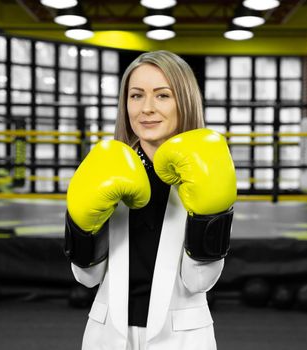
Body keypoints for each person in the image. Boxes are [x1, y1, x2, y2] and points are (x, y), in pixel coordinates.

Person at [64, 50, 237, 350]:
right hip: (106, 336)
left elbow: (199, 282)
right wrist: (81, 225)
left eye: (162, 96)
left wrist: (210, 217)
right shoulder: (108, 166)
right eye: (136, 95)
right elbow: (86, 277)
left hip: (183, 338)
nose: (146, 108)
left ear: (183, 101)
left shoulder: (204, 168)